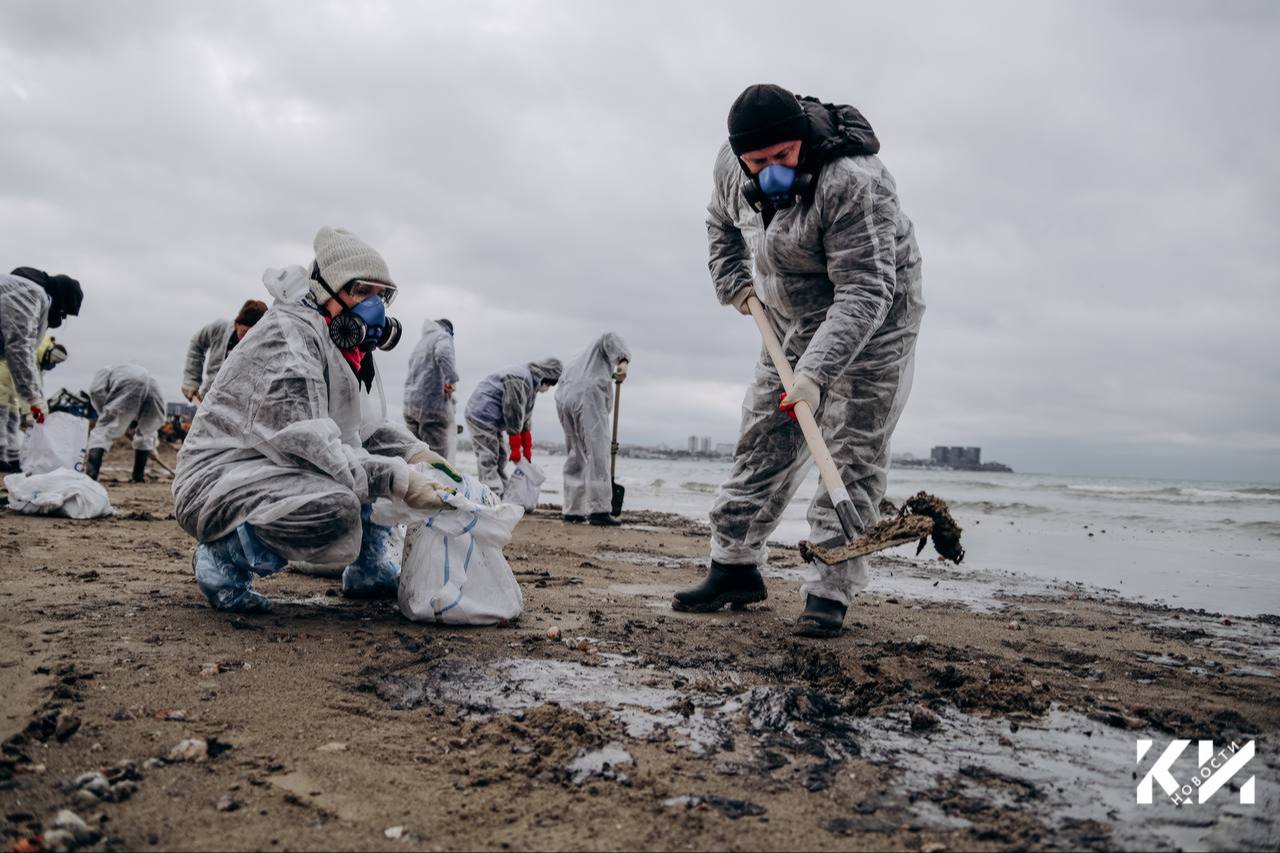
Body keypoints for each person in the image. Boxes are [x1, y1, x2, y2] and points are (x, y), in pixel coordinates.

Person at [673, 84, 924, 639]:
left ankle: (830, 590)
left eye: (782, 157)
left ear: (802, 142)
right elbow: (719, 222)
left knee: (851, 445)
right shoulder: (732, 169)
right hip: (786, 313)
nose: (770, 172)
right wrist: (733, 281)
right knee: (764, 431)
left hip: (876, 316)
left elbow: (865, 290)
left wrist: (814, 374)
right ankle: (734, 566)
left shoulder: (853, 182)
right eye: (758, 162)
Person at [172, 227, 457, 613]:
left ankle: (370, 564)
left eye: (382, 295)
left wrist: (420, 456)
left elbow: (362, 431)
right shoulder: (288, 339)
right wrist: (399, 479)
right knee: (337, 503)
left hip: (272, 468)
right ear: (326, 290)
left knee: (367, 466)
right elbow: (312, 447)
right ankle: (224, 556)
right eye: (361, 292)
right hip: (220, 479)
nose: (374, 307)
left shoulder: (342, 346)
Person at [0, 267, 83, 468]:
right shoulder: (29, 293)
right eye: (63, 313)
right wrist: (33, 397)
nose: (60, 319)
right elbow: (20, 347)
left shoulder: (18, 289)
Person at [555, 333, 630, 526]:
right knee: (598, 452)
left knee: (575, 453)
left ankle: (573, 510)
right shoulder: (601, 345)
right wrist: (623, 361)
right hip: (587, 396)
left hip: (564, 395)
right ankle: (599, 509)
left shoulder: (579, 360)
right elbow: (610, 337)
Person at [464, 357, 562, 496]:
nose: (547, 388)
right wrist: (516, 446)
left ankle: (503, 492)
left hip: (493, 419)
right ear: (546, 377)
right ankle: (492, 493)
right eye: (550, 384)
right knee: (488, 455)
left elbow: (525, 416)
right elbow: (513, 411)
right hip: (482, 414)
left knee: (501, 456)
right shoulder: (519, 378)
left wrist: (526, 449)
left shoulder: (530, 384)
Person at [84, 364, 166, 482]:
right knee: (146, 431)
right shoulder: (119, 372)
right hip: (152, 384)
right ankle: (138, 477)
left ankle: (90, 476)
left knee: (103, 430)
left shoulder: (105, 372)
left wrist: (105, 413)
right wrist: (149, 445)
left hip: (130, 382)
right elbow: (148, 426)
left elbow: (95, 391)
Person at [180, 299, 269, 403]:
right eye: (245, 332)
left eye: (254, 335)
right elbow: (197, 344)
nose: (247, 339)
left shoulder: (265, 347)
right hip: (208, 399)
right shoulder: (219, 330)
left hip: (240, 406)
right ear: (236, 324)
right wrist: (191, 380)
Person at [0, 335, 68, 472]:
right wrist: (30, 412)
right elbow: (26, 384)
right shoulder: (29, 351)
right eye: (54, 362)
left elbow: (37, 387)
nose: (53, 365)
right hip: (3, 382)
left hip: (10, 390)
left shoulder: (37, 361)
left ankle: (10, 459)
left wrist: (43, 409)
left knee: (11, 422)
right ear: (50, 353)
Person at [403, 318, 459, 464]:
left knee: (416, 458)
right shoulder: (443, 336)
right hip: (432, 408)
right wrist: (451, 381)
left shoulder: (421, 343)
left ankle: (416, 486)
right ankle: (439, 486)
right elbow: (443, 353)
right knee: (437, 462)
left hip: (410, 407)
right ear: (449, 331)